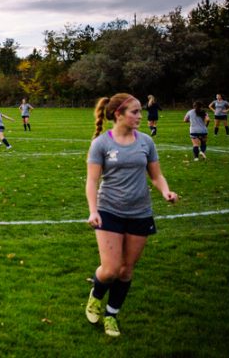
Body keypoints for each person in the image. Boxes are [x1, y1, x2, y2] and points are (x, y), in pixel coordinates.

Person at [84, 93, 177, 337]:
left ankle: (111, 315)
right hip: (109, 210)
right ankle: (96, 295)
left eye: (140, 111)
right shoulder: (102, 144)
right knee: (111, 269)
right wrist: (93, 211)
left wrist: (166, 191)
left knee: (126, 271)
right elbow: (92, 181)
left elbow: (156, 175)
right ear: (118, 114)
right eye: (135, 112)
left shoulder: (146, 141)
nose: (140, 116)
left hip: (140, 212)